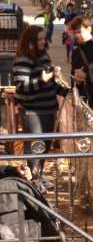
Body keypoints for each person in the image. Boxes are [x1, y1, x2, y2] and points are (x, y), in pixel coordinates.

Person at [12, 24, 68, 186]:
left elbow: (48, 83)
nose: (44, 41)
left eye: (44, 38)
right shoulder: (23, 59)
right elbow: (22, 87)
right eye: (40, 39)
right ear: (30, 41)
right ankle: (33, 180)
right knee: (35, 145)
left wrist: (62, 90)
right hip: (33, 110)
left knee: (45, 145)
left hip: (49, 108)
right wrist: (41, 79)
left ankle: (39, 175)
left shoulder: (43, 56)